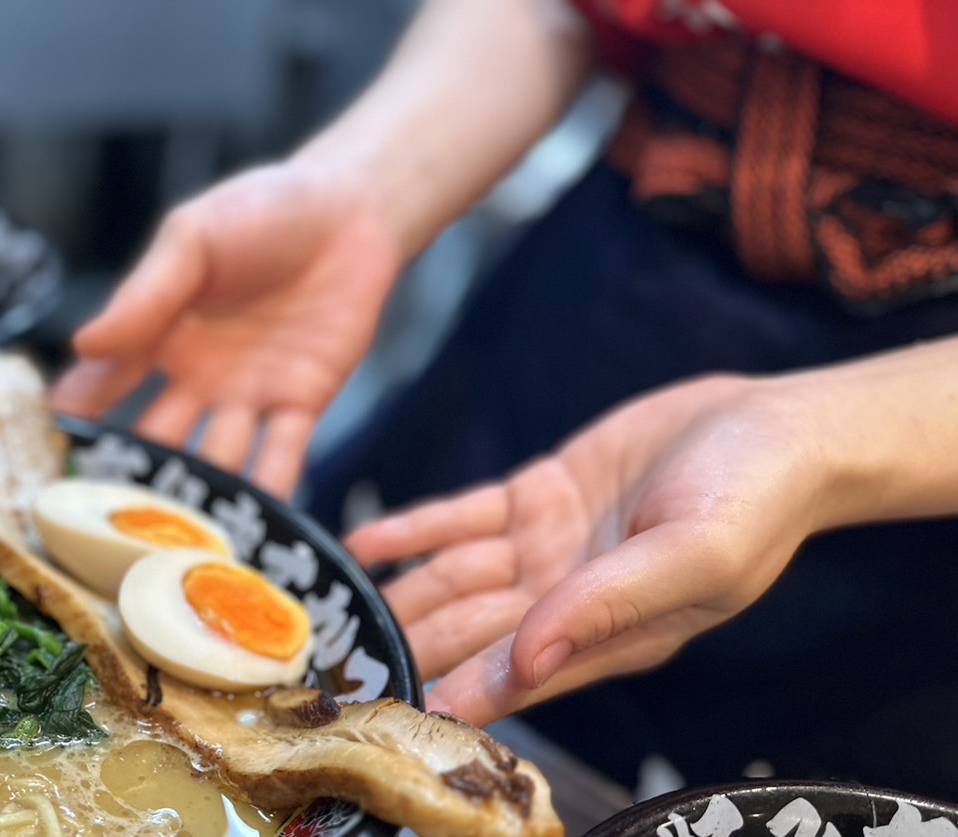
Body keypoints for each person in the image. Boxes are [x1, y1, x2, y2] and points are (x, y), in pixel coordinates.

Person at [52, 0, 958, 796]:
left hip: (913, 470)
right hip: (601, 295)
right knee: (327, 698)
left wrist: (810, 437)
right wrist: (366, 185)